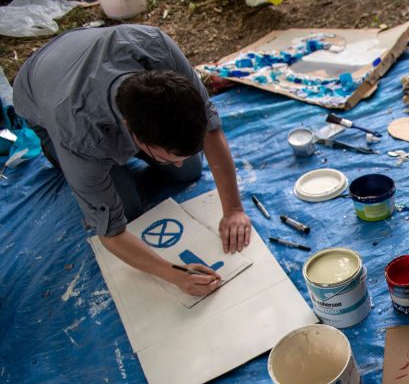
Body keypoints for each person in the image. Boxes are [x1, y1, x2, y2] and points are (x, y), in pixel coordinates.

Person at [13, 24, 252, 297]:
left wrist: (233, 208)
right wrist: (175, 274)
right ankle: (57, 151)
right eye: (166, 156)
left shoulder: (157, 49)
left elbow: (210, 128)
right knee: (127, 210)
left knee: (189, 171)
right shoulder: (80, 136)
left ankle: (146, 157)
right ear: (134, 135)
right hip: (43, 93)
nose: (176, 162)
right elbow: (111, 233)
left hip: (87, 52)